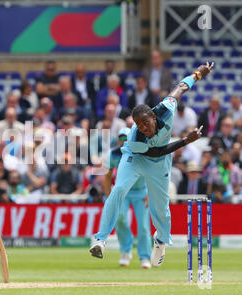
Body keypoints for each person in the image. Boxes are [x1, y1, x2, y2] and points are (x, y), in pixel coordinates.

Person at [89, 62, 213, 267]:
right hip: (137, 158)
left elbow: (181, 87)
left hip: (160, 163)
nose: (144, 128)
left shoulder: (167, 108)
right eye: (139, 125)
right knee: (118, 189)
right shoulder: (135, 139)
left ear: (153, 116)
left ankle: (161, 241)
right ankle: (100, 240)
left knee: (161, 208)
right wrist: (185, 141)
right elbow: (157, 150)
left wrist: (198, 74)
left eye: (146, 123)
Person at [103, 127, 151, 269]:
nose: (123, 141)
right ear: (118, 139)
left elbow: (151, 173)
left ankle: (145, 256)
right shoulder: (114, 154)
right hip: (123, 192)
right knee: (119, 218)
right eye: (121, 138)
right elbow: (107, 176)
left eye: (126, 138)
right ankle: (126, 251)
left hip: (141, 192)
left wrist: (151, 193)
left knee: (143, 225)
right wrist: (108, 196)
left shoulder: (142, 151)